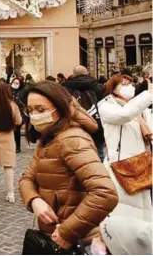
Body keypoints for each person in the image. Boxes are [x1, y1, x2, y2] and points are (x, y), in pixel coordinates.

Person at [19, 81, 118, 249]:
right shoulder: (49, 138)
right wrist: (35, 200)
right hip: (54, 236)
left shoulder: (72, 140)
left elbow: (105, 193)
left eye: (41, 109)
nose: (35, 115)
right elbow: (26, 178)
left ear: (59, 108)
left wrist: (68, 231)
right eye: (30, 110)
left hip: (77, 240)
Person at [98, 74, 152, 222]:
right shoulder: (106, 105)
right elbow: (124, 115)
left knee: (142, 208)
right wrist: (149, 93)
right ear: (113, 88)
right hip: (121, 164)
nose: (129, 87)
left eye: (130, 84)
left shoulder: (139, 107)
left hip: (141, 164)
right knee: (124, 208)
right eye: (123, 84)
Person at [62, 65, 107, 160]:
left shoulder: (65, 88)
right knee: (99, 152)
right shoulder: (98, 87)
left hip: (75, 126)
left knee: (75, 154)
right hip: (96, 125)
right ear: (87, 73)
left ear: (73, 74)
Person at [10, 77, 27, 154]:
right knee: (12, 130)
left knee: (16, 129)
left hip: (20, 112)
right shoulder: (9, 90)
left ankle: (18, 146)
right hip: (10, 112)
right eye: (14, 83)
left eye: (17, 83)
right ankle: (12, 145)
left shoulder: (23, 91)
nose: (15, 84)